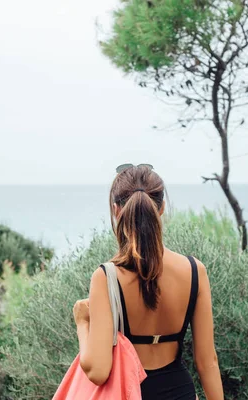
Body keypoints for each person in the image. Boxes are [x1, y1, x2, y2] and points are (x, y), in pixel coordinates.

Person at [72, 164, 224, 400]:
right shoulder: (195, 271)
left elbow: (98, 371)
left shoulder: (107, 276)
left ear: (116, 210)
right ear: (161, 207)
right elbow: (208, 362)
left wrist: (82, 323)